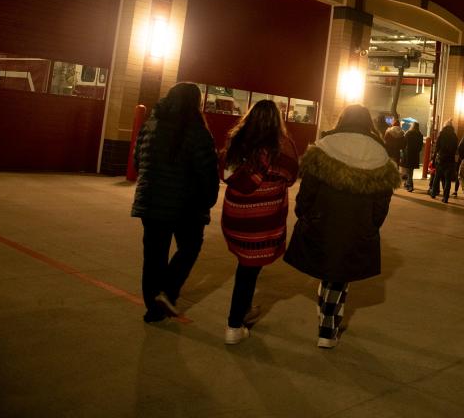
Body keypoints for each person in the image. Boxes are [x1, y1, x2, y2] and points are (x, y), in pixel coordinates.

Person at [284, 104, 399, 348]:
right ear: (368, 123)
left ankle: (326, 315)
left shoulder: (324, 147)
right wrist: (372, 224)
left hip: (322, 220)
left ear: (342, 119)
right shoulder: (379, 153)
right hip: (357, 224)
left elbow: (307, 191)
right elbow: (382, 201)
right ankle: (327, 328)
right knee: (340, 273)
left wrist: (303, 214)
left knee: (331, 269)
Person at [131, 82, 219, 323]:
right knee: (190, 247)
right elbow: (208, 171)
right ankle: (167, 293)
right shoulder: (197, 131)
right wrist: (208, 199)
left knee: (153, 257)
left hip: (151, 202)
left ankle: (154, 308)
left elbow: (138, 160)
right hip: (186, 206)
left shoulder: (151, 125)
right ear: (195, 103)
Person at [219, 100, 299, 345]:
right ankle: (234, 324)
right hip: (263, 219)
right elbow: (291, 177)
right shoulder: (283, 147)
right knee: (248, 270)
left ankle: (244, 307)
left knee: (246, 266)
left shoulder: (236, 141)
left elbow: (225, 172)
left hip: (235, 215)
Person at [429, 121, 458, 203]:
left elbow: (437, 148)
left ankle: (433, 193)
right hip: (450, 160)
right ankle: (445, 197)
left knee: (437, 177)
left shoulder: (441, 134)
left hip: (441, 159)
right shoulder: (454, 136)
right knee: (448, 180)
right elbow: (455, 149)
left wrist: (434, 159)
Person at [401, 121, 424, 192]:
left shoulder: (408, 133)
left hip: (408, 154)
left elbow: (403, 143)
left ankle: (410, 185)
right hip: (415, 154)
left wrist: (403, 150)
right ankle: (407, 183)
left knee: (408, 170)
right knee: (411, 170)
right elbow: (421, 146)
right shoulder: (420, 135)